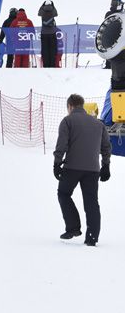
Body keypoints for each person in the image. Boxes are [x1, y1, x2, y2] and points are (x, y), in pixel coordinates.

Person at [54, 94, 112, 246]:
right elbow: (106, 147)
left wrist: (57, 164)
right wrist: (106, 165)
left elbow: (62, 144)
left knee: (64, 193)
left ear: (70, 106)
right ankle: (92, 237)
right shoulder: (98, 124)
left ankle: (73, 227)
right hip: (93, 170)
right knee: (91, 202)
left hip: (72, 167)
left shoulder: (67, 121)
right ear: (82, 105)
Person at [38, 0, 60, 68]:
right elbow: (56, 14)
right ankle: (52, 65)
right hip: (52, 33)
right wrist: (53, 5)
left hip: (44, 33)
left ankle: (46, 65)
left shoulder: (42, 11)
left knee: (45, 49)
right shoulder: (52, 10)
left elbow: (39, 13)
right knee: (52, 49)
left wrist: (42, 4)